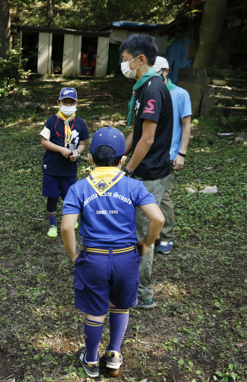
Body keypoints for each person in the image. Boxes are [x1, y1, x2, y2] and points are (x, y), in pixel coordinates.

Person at [61, 127, 164, 378]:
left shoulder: (79, 188)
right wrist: (146, 244)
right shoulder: (132, 186)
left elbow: (66, 227)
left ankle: (93, 360)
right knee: (120, 306)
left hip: (93, 258)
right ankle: (115, 354)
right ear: (122, 160)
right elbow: (158, 219)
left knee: (95, 311)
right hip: (126, 258)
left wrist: (75, 255)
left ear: (90, 158)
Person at [120, 34, 173, 310]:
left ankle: (143, 293)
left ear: (141, 59)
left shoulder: (152, 89)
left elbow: (148, 139)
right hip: (142, 170)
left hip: (149, 174)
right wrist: (118, 155)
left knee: (145, 233)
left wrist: (127, 170)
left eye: (126, 59)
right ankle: (135, 284)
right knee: (136, 230)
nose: (123, 64)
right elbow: (137, 132)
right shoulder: (144, 87)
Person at [153, 56, 192, 255]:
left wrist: (181, 153)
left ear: (166, 71)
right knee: (150, 196)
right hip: (151, 154)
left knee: (164, 197)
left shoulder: (180, 94)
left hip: (169, 155)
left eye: (158, 72)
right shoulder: (150, 91)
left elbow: (186, 125)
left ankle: (167, 236)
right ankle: (154, 234)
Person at [40, 87, 89, 238]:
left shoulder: (79, 123)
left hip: (69, 168)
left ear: (76, 103)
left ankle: (71, 219)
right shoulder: (52, 121)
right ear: (58, 103)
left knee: (70, 196)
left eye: (71, 102)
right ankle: (53, 225)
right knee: (52, 196)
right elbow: (44, 141)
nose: (68, 106)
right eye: (65, 102)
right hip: (52, 168)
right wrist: (61, 150)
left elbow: (82, 143)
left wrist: (78, 152)